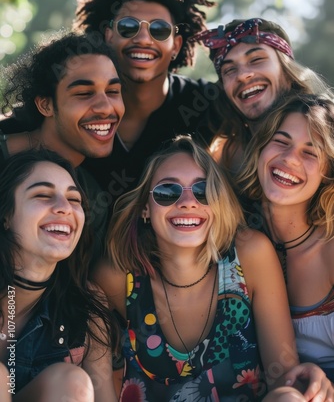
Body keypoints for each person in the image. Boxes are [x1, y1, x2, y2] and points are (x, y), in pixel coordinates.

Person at [94, 135, 332, 401]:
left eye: (203, 191)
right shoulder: (116, 278)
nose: (187, 202)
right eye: (166, 192)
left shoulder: (251, 255)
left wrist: (301, 386)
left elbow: (283, 377)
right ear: (144, 210)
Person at [74, 0, 220, 208]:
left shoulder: (209, 104)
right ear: (108, 36)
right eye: (129, 27)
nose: (143, 39)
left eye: (159, 30)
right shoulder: (75, 99)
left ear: (176, 45)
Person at [0, 149, 118, 401]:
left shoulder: (86, 302)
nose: (65, 208)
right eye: (43, 195)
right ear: (6, 216)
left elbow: (102, 395)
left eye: (74, 200)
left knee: (72, 383)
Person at [0, 31, 125, 263]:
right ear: (45, 105)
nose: (106, 108)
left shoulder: (91, 198)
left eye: (113, 92)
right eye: (84, 93)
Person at [236, 93, 334, 383]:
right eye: (281, 141)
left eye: (311, 152)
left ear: (328, 172)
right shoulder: (240, 239)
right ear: (261, 147)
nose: (290, 159)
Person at [195, 17, 332, 173]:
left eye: (257, 59)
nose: (242, 75)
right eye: (229, 70)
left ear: (287, 71)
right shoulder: (221, 160)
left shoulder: (328, 134)